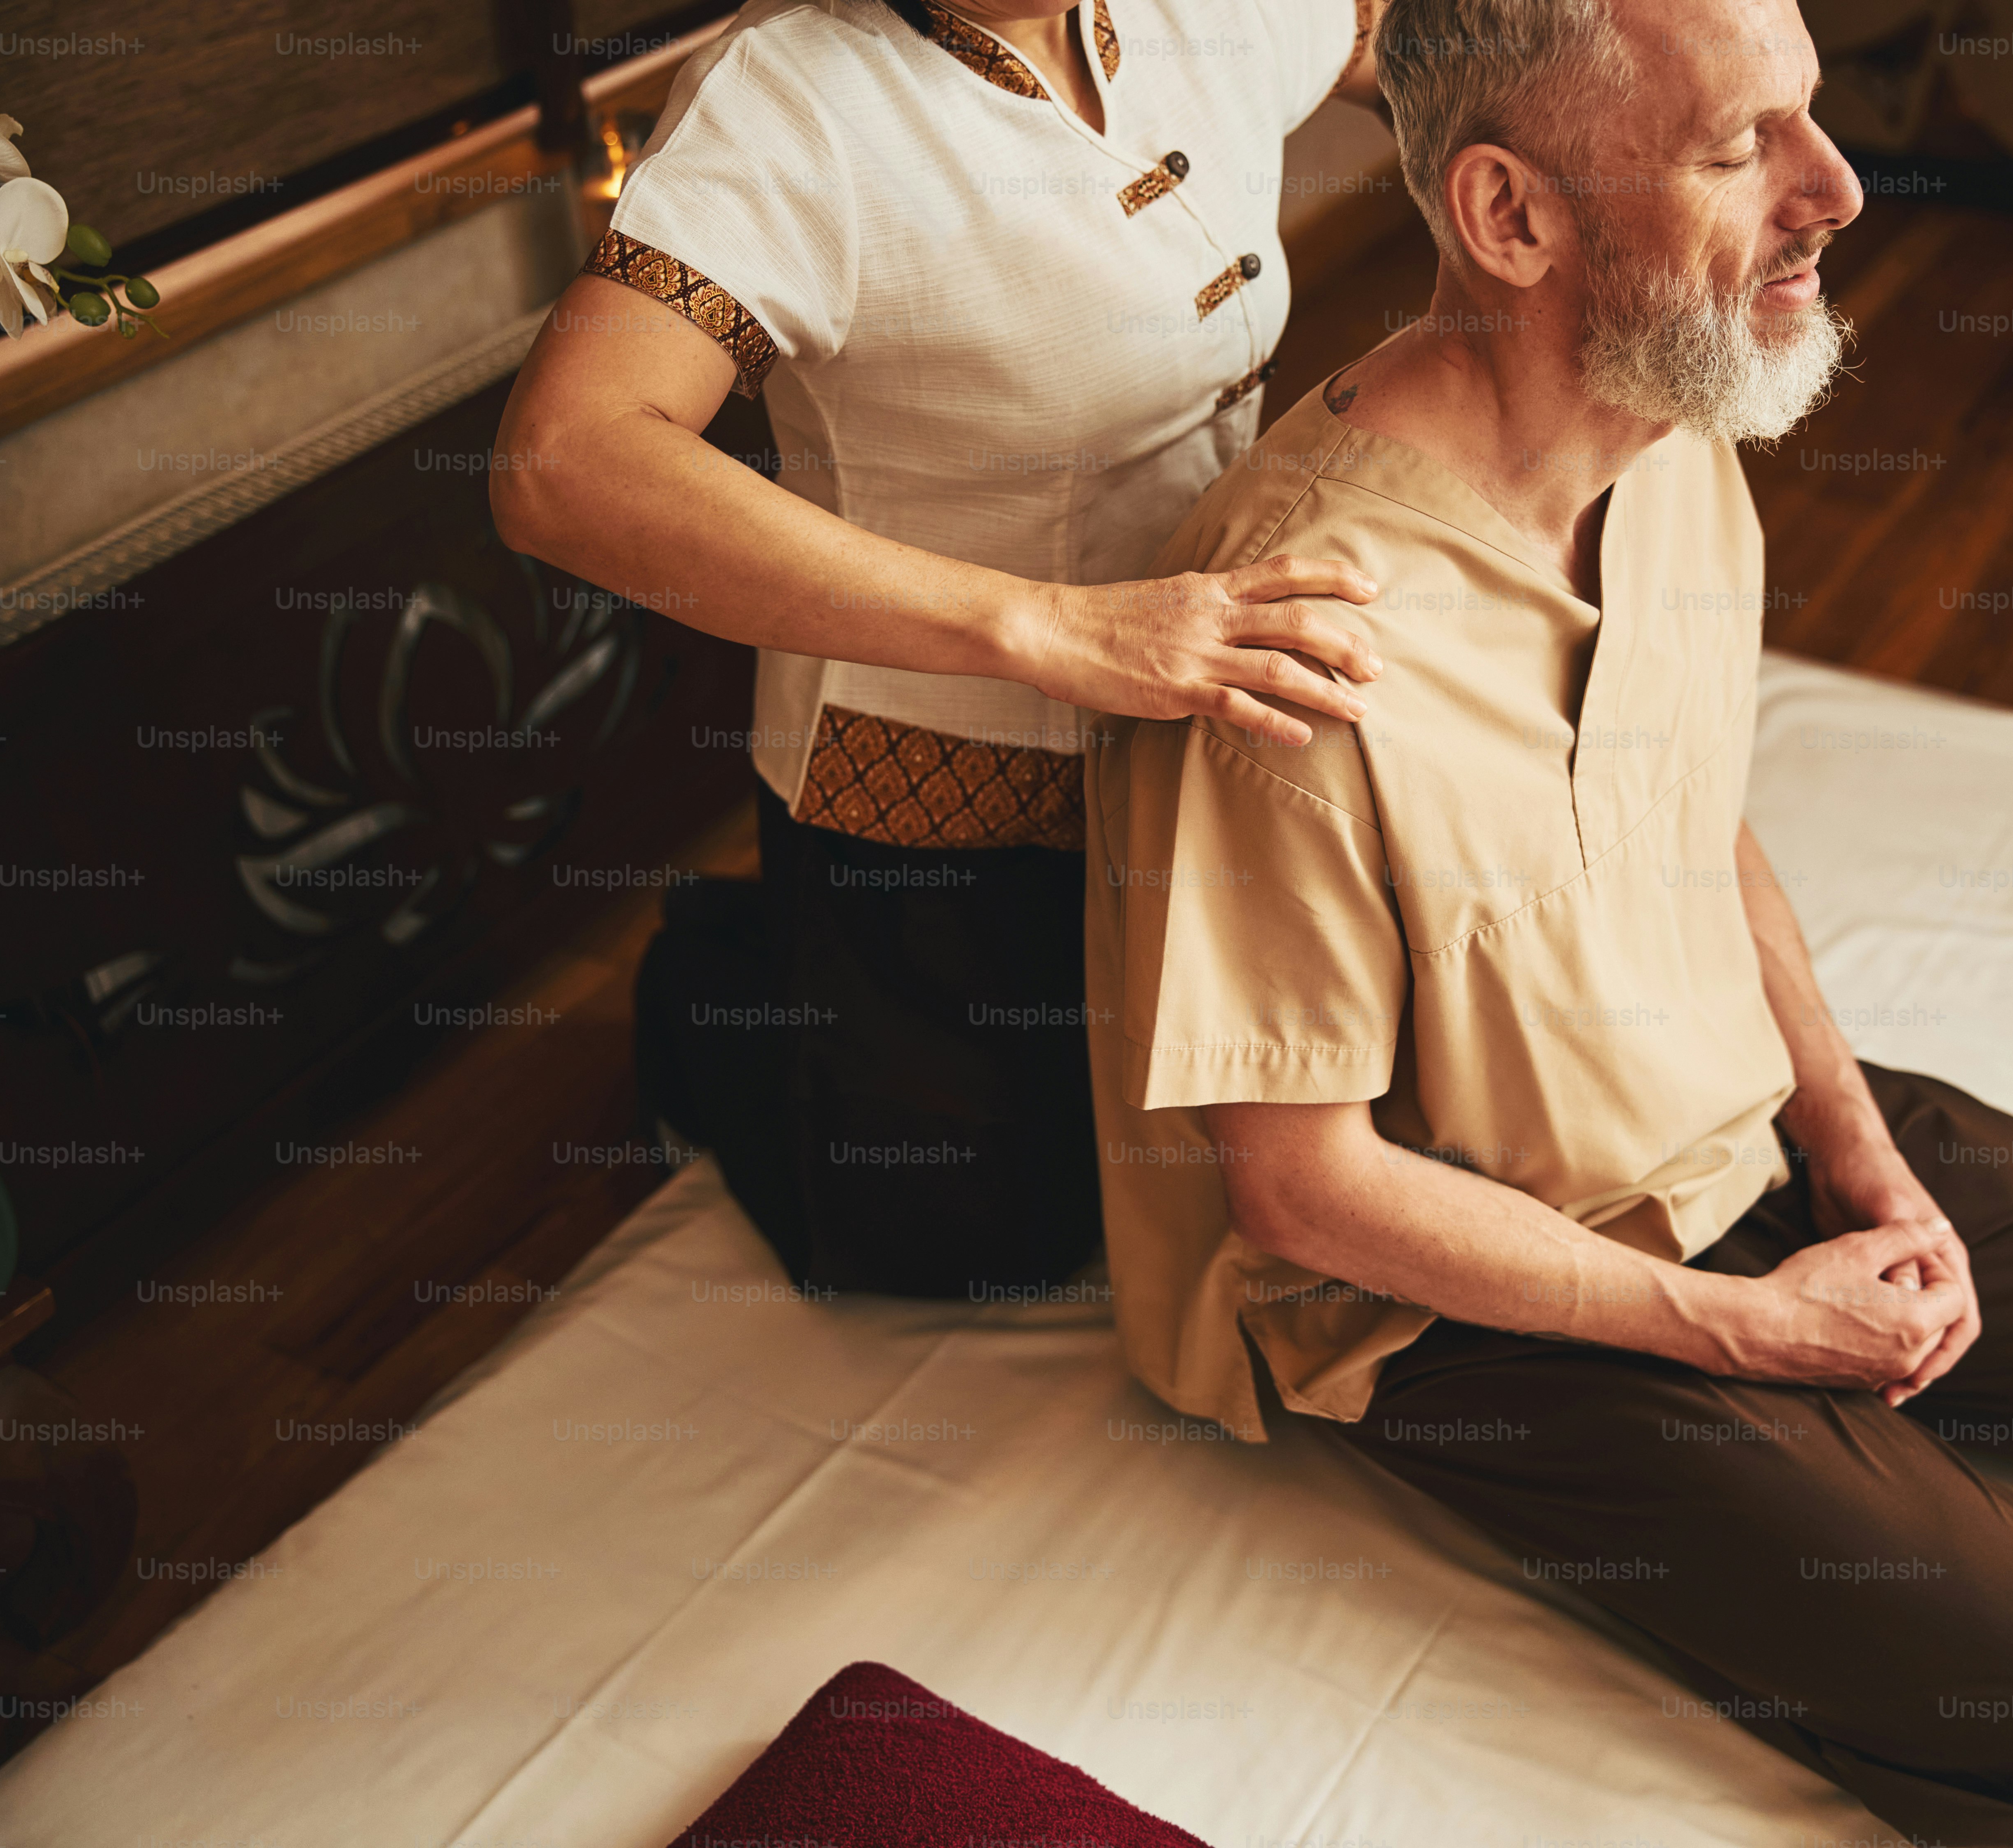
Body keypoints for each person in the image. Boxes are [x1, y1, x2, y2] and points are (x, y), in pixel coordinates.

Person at [1080, 0, 2013, 1839]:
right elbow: (1306, 1192)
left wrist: (1864, 1159)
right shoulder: (1300, 622)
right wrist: (1748, 1339)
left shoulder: (1678, 423)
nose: (1838, 188)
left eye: (1809, 121)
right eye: (1742, 149)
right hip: (1465, 1278)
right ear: (1513, 220)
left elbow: (1697, 819)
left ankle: (1824, 1384)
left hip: (1719, 1116)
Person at [490, 0, 1392, 1294]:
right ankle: (707, 982)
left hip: (1189, 712)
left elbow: (1376, 38)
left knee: (1190, 1162)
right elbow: (558, 463)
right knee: (969, 1246)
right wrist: (1045, 627)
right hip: (928, 775)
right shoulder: (788, 96)